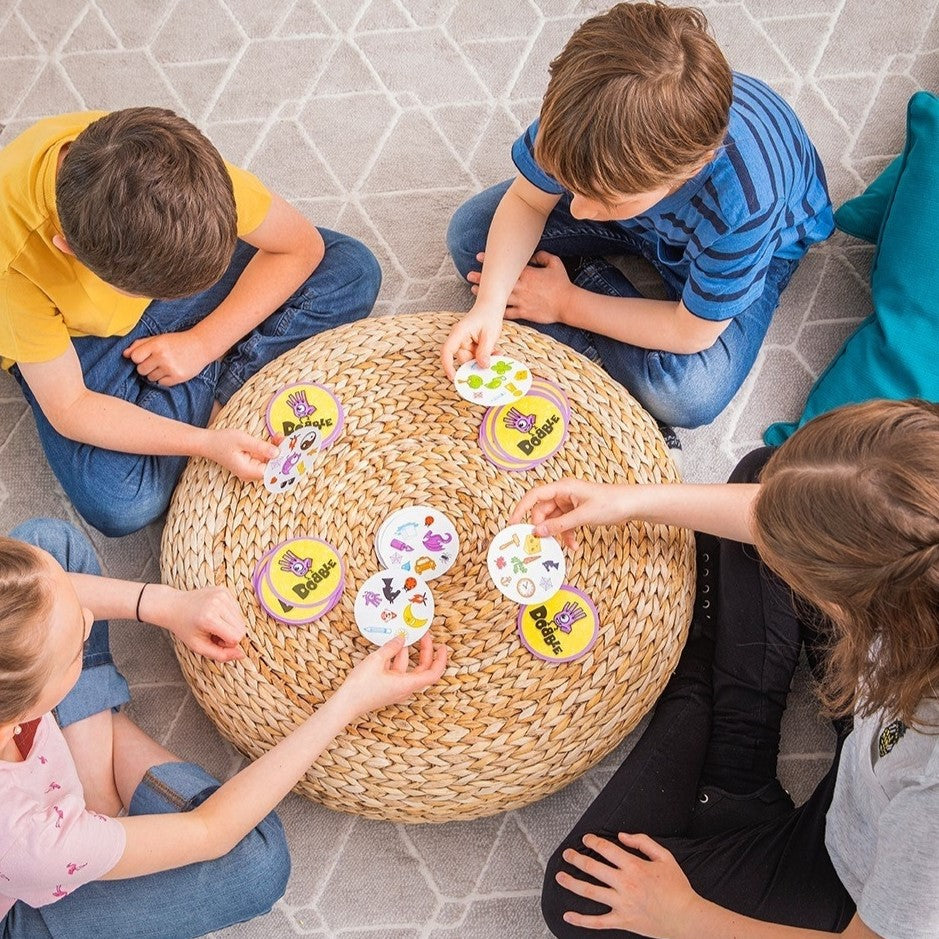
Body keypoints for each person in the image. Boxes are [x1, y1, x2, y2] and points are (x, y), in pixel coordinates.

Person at [511, 398, 939, 938]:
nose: (782, 562)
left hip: (850, 880)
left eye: (803, 573)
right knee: (768, 473)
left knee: (579, 894)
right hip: (879, 739)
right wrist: (626, 501)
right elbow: (775, 511)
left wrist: (683, 917)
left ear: (862, 608)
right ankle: (737, 767)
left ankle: (695, 694)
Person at [0, 518, 447, 938]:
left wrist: (165, 603)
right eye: (77, 645)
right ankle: (97, 777)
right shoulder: (30, 839)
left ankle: (93, 775)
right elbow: (211, 832)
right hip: (25, 895)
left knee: (47, 545)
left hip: (39, 806)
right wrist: (348, 701)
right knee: (256, 860)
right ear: (21, 709)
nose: (90, 620)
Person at [442, 2, 833, 437]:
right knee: (472, 235)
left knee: (689, 393)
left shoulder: (744, 204)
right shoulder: (586, 117)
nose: (576, 209)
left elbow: (691, 332)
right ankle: (576, 284)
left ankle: (568, 295)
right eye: (572, 185)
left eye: (604, 200)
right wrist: (489, 305)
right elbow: (529, 202)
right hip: (648, 208)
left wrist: (566, 305)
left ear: (686, 171)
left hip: (754, 248)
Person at [0, 108, 382, 537]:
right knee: (122, 503)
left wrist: (203, 344)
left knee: (353, 270)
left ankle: (205, 401)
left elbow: (302, 247)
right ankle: (218, 403)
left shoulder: (179, 168)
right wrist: (203, 444)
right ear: (66, 248)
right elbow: (70, 408)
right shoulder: (11, 265)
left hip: (161, 260)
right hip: (79, 339)